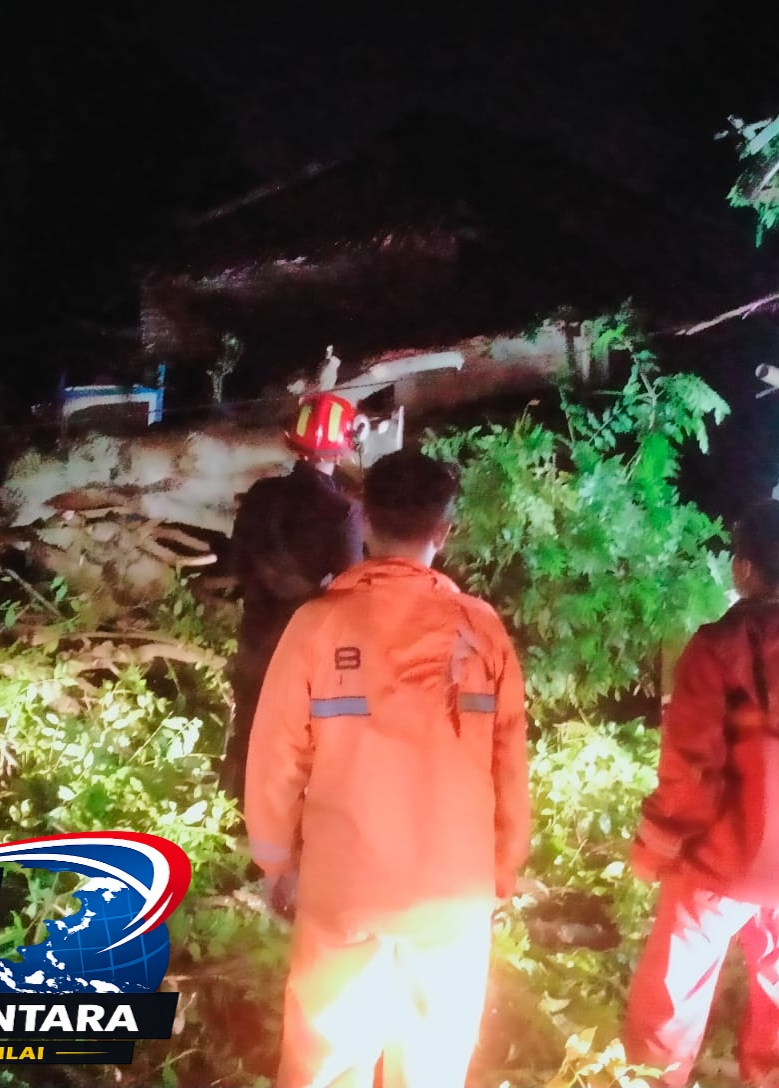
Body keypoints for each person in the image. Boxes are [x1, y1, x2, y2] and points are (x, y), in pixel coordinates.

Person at [245, 449, 530, 1088]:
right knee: (432, 1063)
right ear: (443, 531)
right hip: (455, 891)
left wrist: (274, 861)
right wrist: (502, 870)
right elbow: (509, 761)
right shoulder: (483, 631)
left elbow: (276, 755)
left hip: (347, 883)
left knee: (327, 1057)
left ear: (365, 523)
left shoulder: (317, 625)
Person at [624, 500, 779, 1088]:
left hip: (715, 866)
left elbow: (691, 773)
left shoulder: (712, 650)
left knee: (668, 1013)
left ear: (744, 570)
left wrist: (653, 850)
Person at [219, 391, 364, 807]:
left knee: (248, 734)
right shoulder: (343, 512)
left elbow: (236, 564)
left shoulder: (261, 495)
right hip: (309, 655)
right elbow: (349, 592)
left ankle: (232, 827)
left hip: (255, 643)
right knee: (302, 753)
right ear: (343, 443)